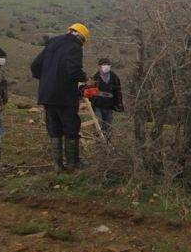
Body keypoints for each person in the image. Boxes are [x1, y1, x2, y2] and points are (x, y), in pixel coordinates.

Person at [31, 23, 94, 172]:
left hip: (47, 95)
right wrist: (86, 79)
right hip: (64, 95)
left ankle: (57, 166)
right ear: (80, 37)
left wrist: (47, 78)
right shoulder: (74, 47)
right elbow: (73, 71)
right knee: (71, 127)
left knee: (54, 128)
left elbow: (34, 66)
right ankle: (73, 164)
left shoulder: (51, 45)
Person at [89, 58, 124, 140]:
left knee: (108, 126)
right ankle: (98, 142)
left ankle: (107, 144)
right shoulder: (94, 78)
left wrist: (119, 105)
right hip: (97, 104)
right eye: (103, 65)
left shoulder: (115, 78)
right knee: (98, 124)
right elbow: (87, 91)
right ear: (98, 67)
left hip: (109, 105)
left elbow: (118, 92)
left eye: (107, 64)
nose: (106, 66)